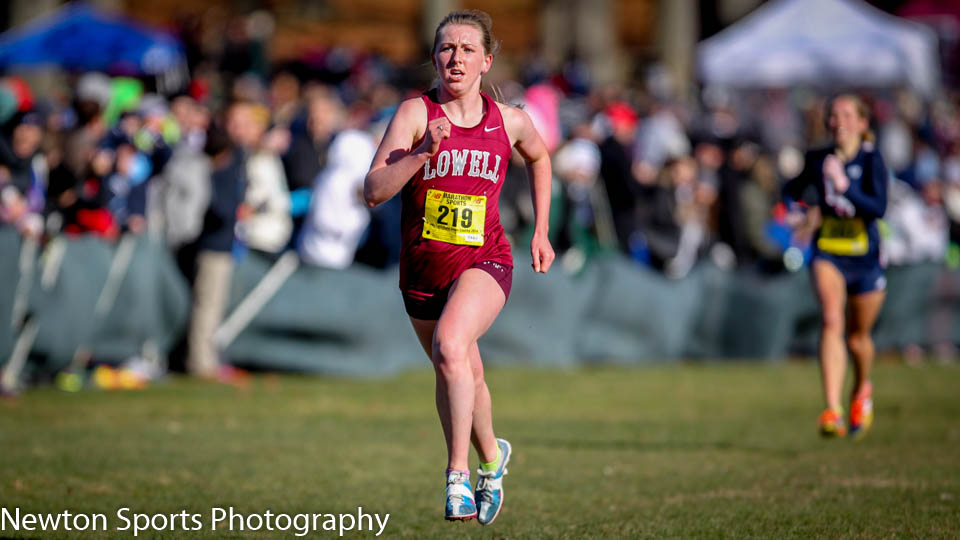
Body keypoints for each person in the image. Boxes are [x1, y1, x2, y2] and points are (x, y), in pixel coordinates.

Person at [363, 10, 554, 524]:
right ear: (434, 58)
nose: (457, 58)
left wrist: (540, 228)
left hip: (485, 259)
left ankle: (458, 479)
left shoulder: (508, 120)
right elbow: (374, 192)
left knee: (451, 346)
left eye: (468, 49)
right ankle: (493, 459)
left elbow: (539, 157)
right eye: (447, 48)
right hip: (423, 272)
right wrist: (421, 154)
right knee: (461, 369)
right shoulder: (414, 114)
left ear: (486, 60)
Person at [783, 94, 888, 439]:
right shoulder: (817, 158)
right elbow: (791, 192)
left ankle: (861, 389)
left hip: (866, 257)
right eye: (833, 115)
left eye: (846, 114)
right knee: (831, 319)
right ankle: (833, 409)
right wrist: (799, 210)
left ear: (862, 123)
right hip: (828, 251)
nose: (838, 120)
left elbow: (877, 207)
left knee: (858, 339)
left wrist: (845, 186)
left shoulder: (872, 161)